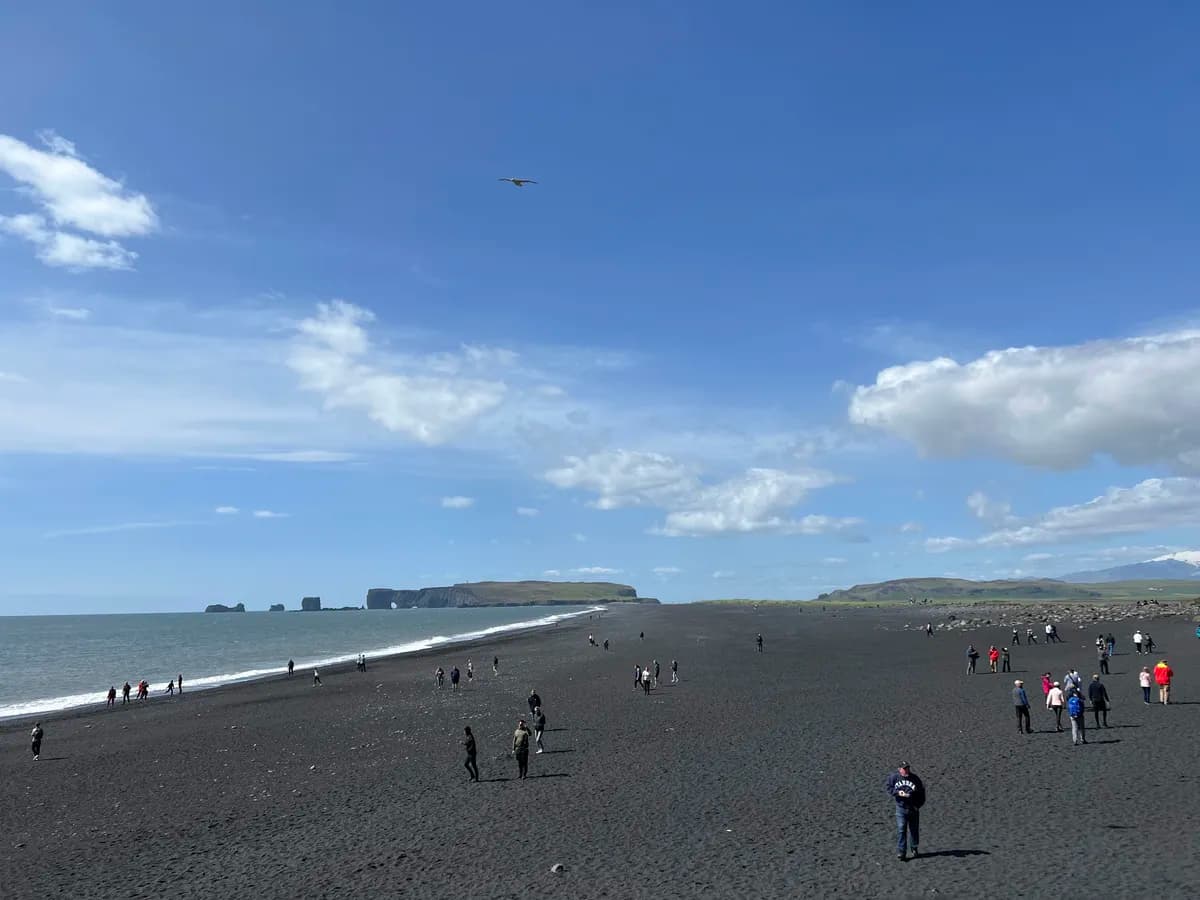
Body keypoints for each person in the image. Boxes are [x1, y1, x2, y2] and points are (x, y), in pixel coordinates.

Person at [885, 762, 925, 860]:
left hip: (913, 809)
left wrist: (917, 806)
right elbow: (889, 788)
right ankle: (902, 851)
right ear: (899, 769)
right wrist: (898, 793)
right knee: (901, 829)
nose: (906, 770)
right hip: (901, 808)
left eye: (907, 768)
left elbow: (922, 794)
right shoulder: (894, 777)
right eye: (904, 768)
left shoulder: (915, 779)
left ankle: (914, 848)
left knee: (914, 830)